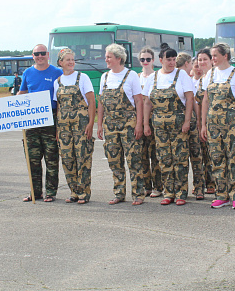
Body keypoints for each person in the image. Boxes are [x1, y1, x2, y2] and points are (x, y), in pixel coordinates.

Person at [143, 44, 194, 206]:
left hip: (179, 125)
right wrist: (146, 124)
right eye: (168, 59)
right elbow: (147, 103)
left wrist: (187, 121)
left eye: (174, 59)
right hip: (159, 126)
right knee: (164, 159)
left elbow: (190, 99)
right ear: (160, 60)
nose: (172, 62)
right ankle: (168, 192)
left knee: (180, 159)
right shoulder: (153, 77)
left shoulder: (182, 75)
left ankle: (181, 192)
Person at [201, 43, 235, 210]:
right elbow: (206, 101)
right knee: (217, 160)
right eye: (211, 55)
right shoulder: (210, 75)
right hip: (213, 126)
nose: (212, 58)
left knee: (234, 160)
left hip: (232, 125)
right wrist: (203, 125)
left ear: (225, 56)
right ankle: (221, 195)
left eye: (214, 55)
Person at [97, 43, 145, 206]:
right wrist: (99, 125)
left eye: (109, 57)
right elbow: (101, 103)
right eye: (106, 56)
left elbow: (139, 101)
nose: (106, 59)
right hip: (110, 125)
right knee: (114, 160)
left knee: (134, 160)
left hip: (129, 124)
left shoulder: (131, 76)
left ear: (119, 58)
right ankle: (119, 193)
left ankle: (138, 194)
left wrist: (139, 125)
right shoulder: (104, 77)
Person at [18, 44, 63, 202]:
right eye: (37, 54)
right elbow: (22, 92)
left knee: (51, 158)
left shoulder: (57, 72)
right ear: (33, 56)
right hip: (32, 119)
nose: (40, 56)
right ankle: (35, 192)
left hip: (50, 117)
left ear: (48, 54)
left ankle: (50, 192)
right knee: (33, 158)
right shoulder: (28, 72)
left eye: (42, 53)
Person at [53, 48, 95, 204]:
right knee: (67, 159)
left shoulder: (82, 78)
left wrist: (91, 124)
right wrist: (58, 130)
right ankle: (74, 191)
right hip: (64, 129)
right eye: (67, 60)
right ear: (60, 63)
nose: (71, 62)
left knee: (83, 158)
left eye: (72, 59)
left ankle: (84, 192)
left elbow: (91, 102)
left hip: (81, 126)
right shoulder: (57, 82)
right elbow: (58, 108)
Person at [176, 53, 205, 200]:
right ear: (187, 63)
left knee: (192, 156)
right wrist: (197, 120)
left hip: (188, 122)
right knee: (194, 156)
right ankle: (197, 188)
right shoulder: (182, 77)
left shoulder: (183, 77)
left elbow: (192, 99)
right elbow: (193, 102)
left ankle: (197, 188)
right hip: (187, 123)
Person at [138, 47, 163, 198]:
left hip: (154, 120)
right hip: (138, 120)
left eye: (148, 59)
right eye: (142, 59)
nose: (145, 62)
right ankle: (147, 185)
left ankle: (158, 186)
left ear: (153, 60)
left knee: (155, 155)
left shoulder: (157, 76)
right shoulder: (136, 77)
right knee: (142, 155)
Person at [195, 49, 216, 194]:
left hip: (218, 121)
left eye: (205, 59)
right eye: (199, 60)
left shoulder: (217, 76)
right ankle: (210, 183)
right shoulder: (201, 80)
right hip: (204, 121)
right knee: (205, 154)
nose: (201, 62)